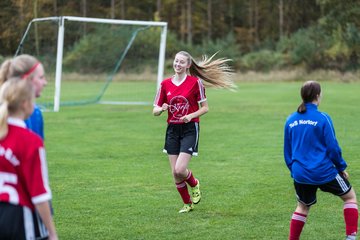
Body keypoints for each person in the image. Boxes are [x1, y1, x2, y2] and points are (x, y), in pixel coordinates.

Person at [153, 51, 235, 213]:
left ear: (188, 65)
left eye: (181, 62)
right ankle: (187, 204)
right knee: (175, 174)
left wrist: (190, 116)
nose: (178, 64)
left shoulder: (195, 83)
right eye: (176, 61)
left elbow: (205, 108)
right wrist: (161, 109)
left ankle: (195, 183)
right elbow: (154, 110)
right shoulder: (165, 84)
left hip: (190, 129)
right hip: (172, 130)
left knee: (180, 169)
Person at [284, 80, 358, 240]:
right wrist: (341, 167)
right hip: (324, 172)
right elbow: (333, 148)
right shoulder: (323, 118)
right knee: (350, 197)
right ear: (318, 96)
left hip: (301, 173)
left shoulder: (290, 119)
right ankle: (351, 238)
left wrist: (295, 171)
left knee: (302, 207)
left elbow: (287, 152)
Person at [0, 78, 58, 240]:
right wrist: (52, 233)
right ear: (25, 103)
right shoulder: (30, 141)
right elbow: (39, 194)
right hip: (20, 217)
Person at [0, 54, 47, 139]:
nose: (45, 83)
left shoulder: (36, 113)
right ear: (27, 80)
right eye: (41, 77)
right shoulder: (4, 111)